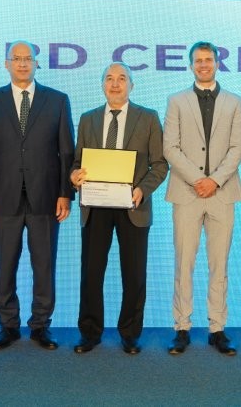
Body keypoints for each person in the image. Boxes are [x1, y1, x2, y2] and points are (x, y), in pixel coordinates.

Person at [0, 40, 75, 351]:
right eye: (16, 58)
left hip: (46, 197)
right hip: (3, 198)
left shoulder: (57, 100)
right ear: (6, 64)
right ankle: (8, 325)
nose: (22, 63)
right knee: (4, 266)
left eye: (27, 58)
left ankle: (40, 325)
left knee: (44, 265)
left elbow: (66, 151)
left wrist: (65, 193)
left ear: (36, 63)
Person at [70, 62, 168, 355]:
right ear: (102, 85)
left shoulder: (148, 118)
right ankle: (90, 333)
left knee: (134, 275)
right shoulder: (87, 119)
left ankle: (130, 333)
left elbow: (160, 164)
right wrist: (74, 176)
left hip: (132, 206)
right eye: (110, 79)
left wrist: (142, 190)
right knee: (91, 274)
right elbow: (77, 162)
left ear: (131, 85)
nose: (115, 84)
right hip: (96, 206)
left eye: (122, 78)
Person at [162, 42, 241, 356]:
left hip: (222, 193)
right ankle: (182, 327)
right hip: (187, 192)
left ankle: (217, 328)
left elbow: (237, 147)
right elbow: (170, 147)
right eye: (198, 60)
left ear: (217, 63)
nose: (204, 65)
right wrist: (198, 180)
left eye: (208, 60)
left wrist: (215, 181)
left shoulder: (234, 102)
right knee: (184, 262)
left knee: (218, 264)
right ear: (191, 65)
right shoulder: (176, 100)